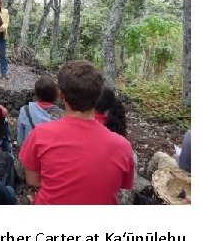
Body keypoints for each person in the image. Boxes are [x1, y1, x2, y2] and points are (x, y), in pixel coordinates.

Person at [19, 60, 134, 205]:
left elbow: (32, 179)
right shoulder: (123, 146)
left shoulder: (40, 134)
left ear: (60, 95)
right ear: (98, 96)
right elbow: (121, 185)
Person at [17, 76, 65, 146]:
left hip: (31, 151)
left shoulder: (25, 111)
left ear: (36, 95)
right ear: (56, 95)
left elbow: (21, 140)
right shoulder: (64, 116)